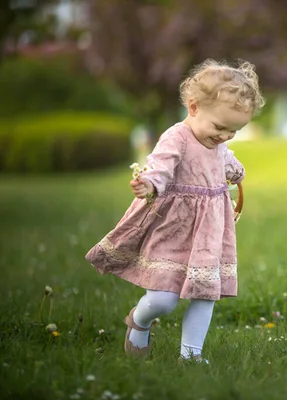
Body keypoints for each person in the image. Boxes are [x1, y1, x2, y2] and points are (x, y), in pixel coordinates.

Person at [85, 59, 265, 362]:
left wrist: (236, 171)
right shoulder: (177, 137)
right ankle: (139, 320)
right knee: (163, 299)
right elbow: (160, 166)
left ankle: (191, 354)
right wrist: (150, 185)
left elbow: (224, 159)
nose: (224, 136)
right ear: (193, 108)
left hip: (208, 231)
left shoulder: (218, 142)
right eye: (220, 127)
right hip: (173, 227)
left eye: (234, 131)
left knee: (205, 292)